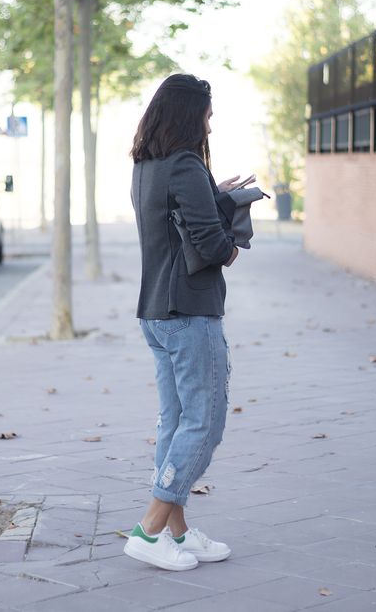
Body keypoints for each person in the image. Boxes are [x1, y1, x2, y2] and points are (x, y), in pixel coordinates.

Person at [125, 73, 250, 572]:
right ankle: (149, 530)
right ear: (188, 115)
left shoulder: (146, 166)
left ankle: (177, 533)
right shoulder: (186, 166)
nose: (210, 126)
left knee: (176, 423)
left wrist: (213, 195)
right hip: (191, 312)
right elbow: (214, 246)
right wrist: (229, 241)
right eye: (207, 115)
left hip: (155, 312)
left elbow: (174, 225)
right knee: (205, 423)